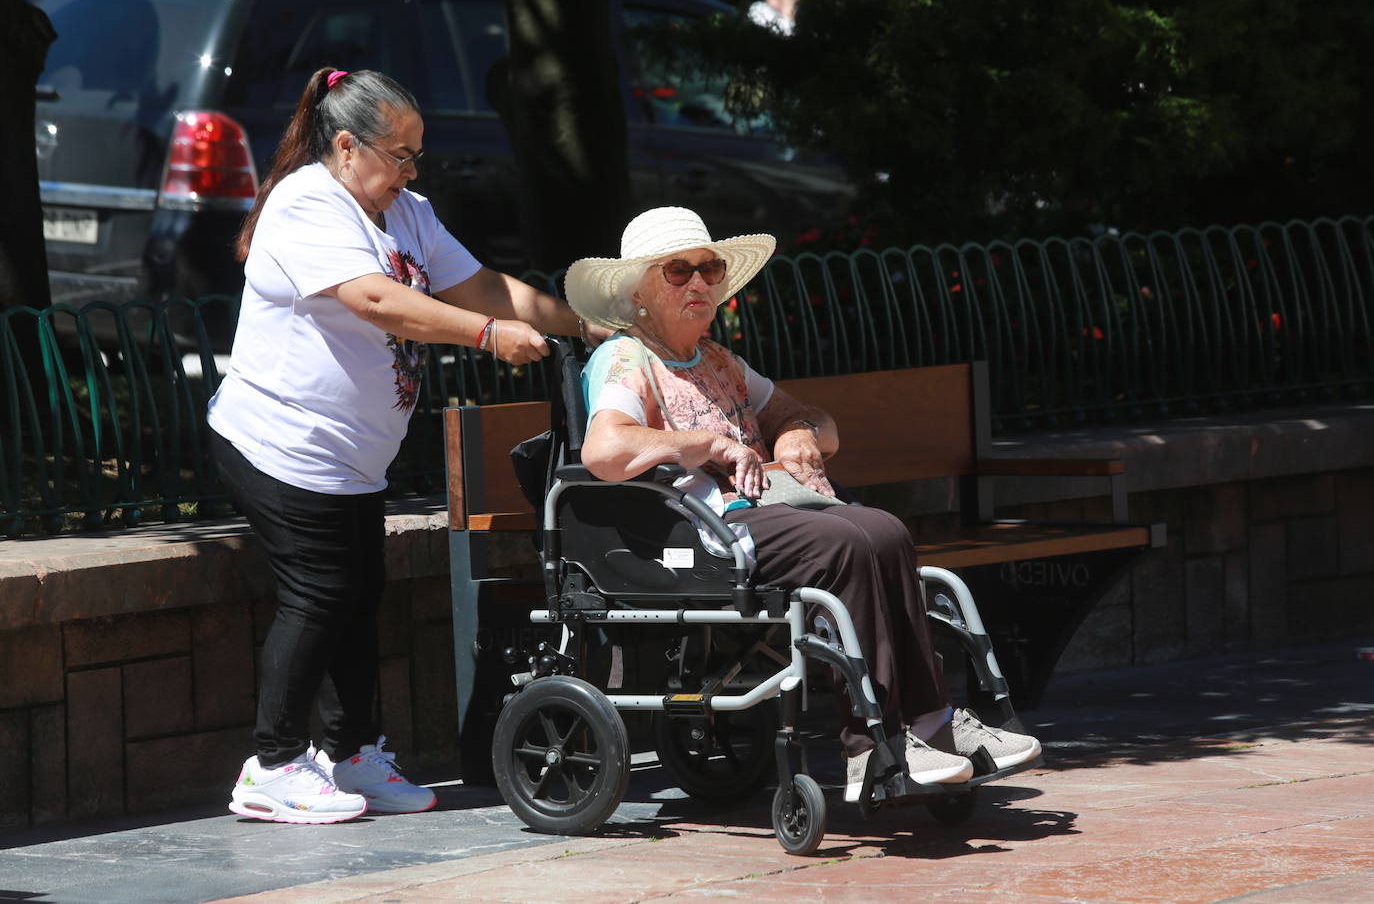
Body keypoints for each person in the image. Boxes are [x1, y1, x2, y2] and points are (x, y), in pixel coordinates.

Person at [208, 67, 601, 824]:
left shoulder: (407, 212)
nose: (413, 172)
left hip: (352, 457)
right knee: (319, 594)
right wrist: (488, 338)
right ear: (349, 147)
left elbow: (483, 286)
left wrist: (579, 323)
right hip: (280, 444)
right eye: (401, 154)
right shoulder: (304, 205)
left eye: (418, 155)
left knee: (358, 598)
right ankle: (273, 764)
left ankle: (352, 753)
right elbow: (379, 300)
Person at [566, 206, 1041, 801]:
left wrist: (797, 434)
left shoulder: (718, 360)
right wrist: (705, 443)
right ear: (637, 290)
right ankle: (871, 745)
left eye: (709, 269)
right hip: (699, 528)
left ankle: (931, 723)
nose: (699, 283)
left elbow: (813, 419)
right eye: (677, 271)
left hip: (767, 510)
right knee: (845, 543)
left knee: (886, 530)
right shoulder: (625, 358)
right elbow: (605, 448)